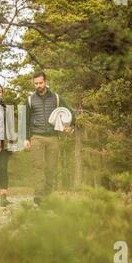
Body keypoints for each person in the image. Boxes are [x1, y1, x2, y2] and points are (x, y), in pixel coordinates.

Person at [23, 71, 76, 206]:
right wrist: (25, 139)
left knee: (51, 168)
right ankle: (39, 196)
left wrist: (70, 126)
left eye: (41, 83)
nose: (38, 85)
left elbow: (71, 113)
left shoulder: (57, 98)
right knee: (37, 166)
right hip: (36, 136)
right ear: (33, 83)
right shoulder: (29, 100)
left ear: (46, 82)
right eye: (36, 83)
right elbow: (25, 121)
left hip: (53, 137)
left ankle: (48, 196)